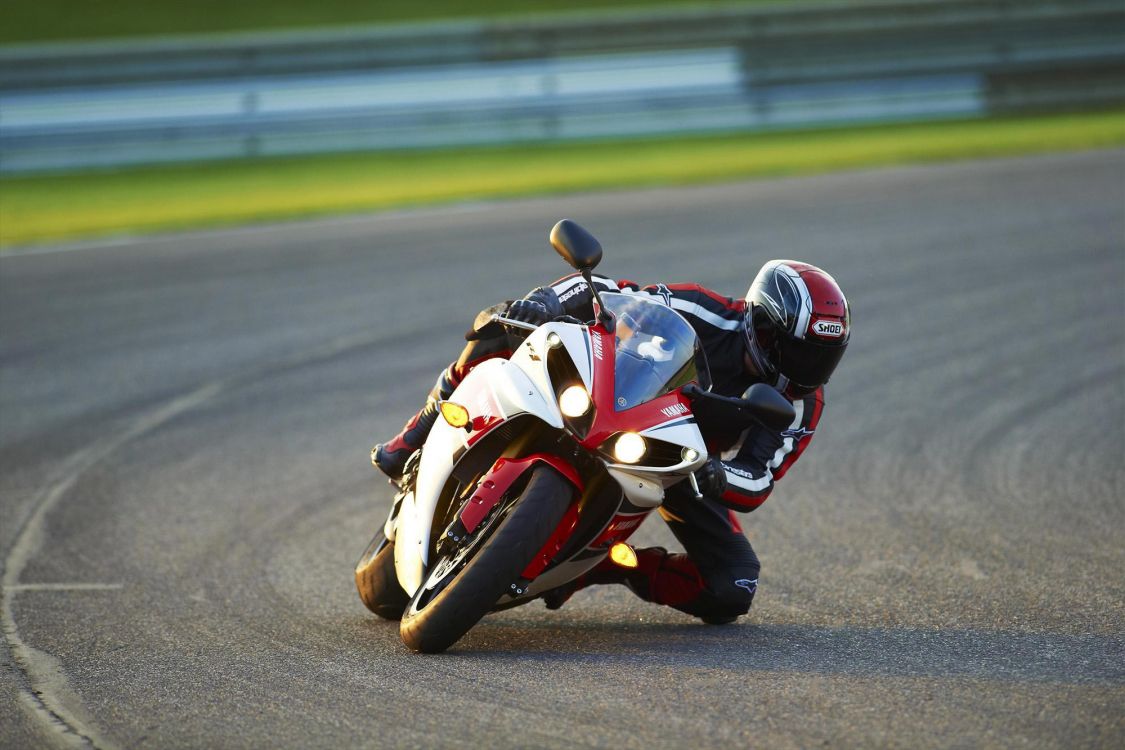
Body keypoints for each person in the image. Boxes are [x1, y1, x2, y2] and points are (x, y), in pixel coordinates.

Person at [372, 260, 850, 623]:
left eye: (822, 359)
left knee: (734, 586)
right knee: (501, 324)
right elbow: (608, 292)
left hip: (679, 461)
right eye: (798, 352)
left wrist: (714, 472)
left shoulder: (801, 403)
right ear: (762, 327)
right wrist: (546, 303)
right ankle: (413, 435)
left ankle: (601, 566)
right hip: (614, 393)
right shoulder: (706, 310)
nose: (807, 371)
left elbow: (759, 478)